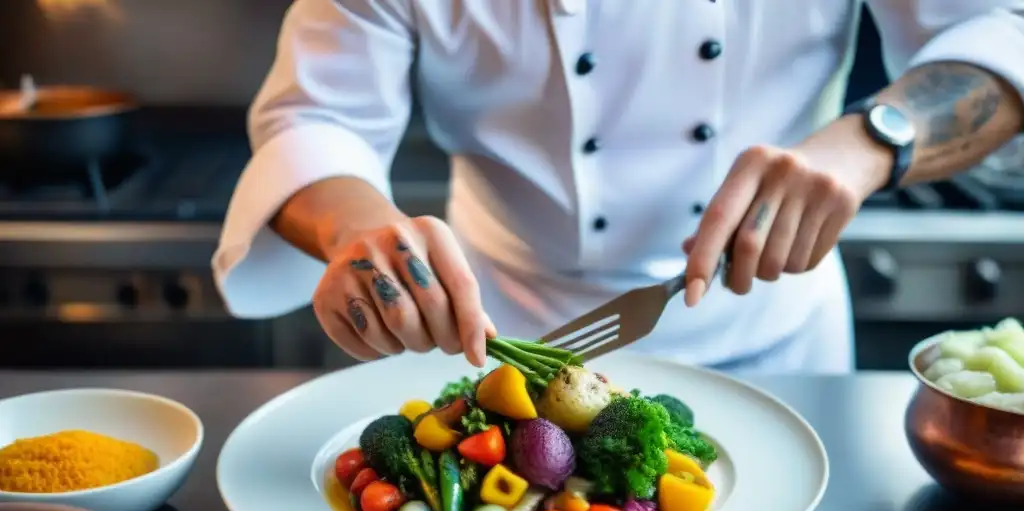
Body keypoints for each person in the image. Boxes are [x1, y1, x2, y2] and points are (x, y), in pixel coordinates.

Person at [213, 0, 1024, 374]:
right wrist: (356, 231)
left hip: (780, 350)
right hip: (490, 342)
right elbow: (315, 119)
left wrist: (871, 140)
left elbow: (999, 33)